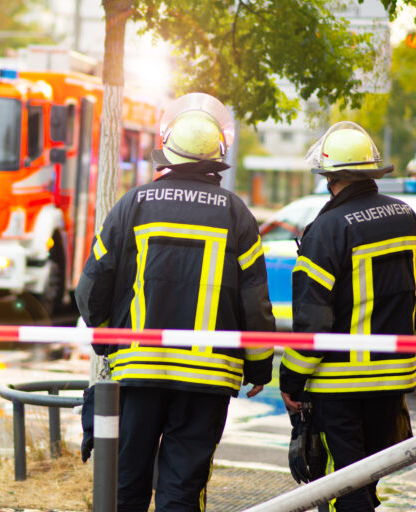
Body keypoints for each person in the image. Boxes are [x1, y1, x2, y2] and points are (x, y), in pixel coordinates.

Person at [75, 92, 276, 512]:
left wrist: (108, 340)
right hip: (208, 379)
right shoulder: (237, 214)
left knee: (125, 486)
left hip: (139, 370)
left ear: (166, 153)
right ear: (217, 160)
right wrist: (258, 366)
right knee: (182, 492)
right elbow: (254, 302)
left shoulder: (135, 204)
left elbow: (91, 288)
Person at [279, 121, 416, 511]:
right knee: (366, 481)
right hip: (394, 379)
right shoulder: (408, 219)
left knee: (340, 490)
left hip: (339, 388)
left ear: (330, 175)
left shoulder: (326, 230)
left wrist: (292, 381)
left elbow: (312, 322)